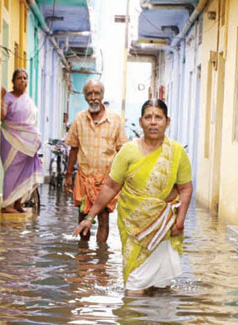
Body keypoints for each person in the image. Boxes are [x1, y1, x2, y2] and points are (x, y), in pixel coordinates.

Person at [73, 99, 193, 294]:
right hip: (132, 228)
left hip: (163, 227)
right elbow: (111, 186)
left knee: (161, 288)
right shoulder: (128, 151)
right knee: (134, 288)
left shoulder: (177, 153)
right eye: (148, 117)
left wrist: (180, 221)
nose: (153, 122)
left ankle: (159, 323)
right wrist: (89, 217)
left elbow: (186, 188)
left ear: (167, 121)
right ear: (141, 121)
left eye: (158, 117)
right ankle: (132, 323)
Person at [64, 80, 127, 241]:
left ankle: (101, 260)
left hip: (106, 180)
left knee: (103, 219)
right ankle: (83, 258)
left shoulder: (115, 120)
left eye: (96, 93)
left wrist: (125, 178)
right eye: (90, 94)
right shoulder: (79, 119)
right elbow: (74, 148)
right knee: (83, 217)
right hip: (84, 178)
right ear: (85, 97)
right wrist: (68, 175)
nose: (93, 97)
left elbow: (122, 150)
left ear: (102, 95)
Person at [0, 68, 44, 213]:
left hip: (26, 143)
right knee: (12, 170)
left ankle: (18, 203)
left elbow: (31, 122)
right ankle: (7, 204)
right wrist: (0, 99)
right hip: (11, 138)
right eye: (19, 78)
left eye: (25, 78)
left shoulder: (28, 100)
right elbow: (2, 117)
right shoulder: (8, 98)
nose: (22, 81)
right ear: (13, 81)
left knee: (25, 170)